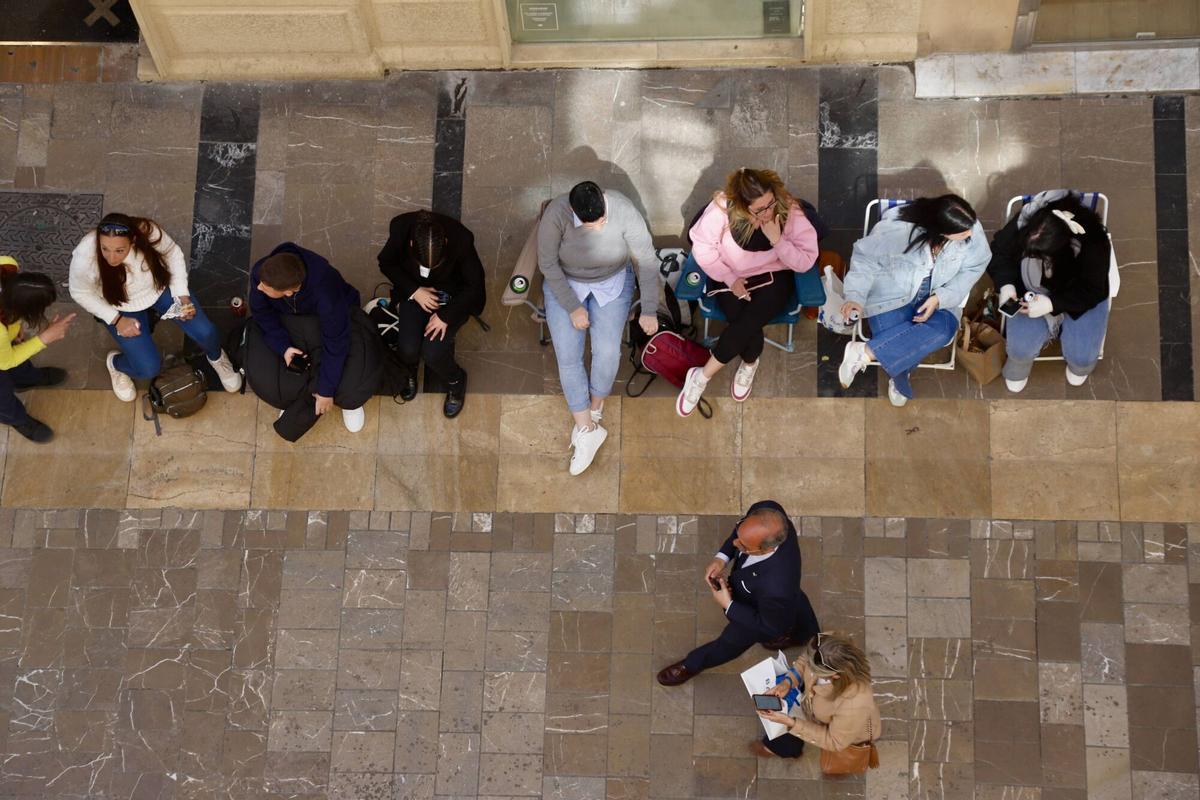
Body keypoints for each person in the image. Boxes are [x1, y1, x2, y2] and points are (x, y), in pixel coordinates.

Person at [538, 181, 660, 475]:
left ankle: (593, 411)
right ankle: (587, 429)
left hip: (613, 280)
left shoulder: (623, 209)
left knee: (606, 352)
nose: (598, 227)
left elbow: (646, 259)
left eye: (602, 220)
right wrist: (572, 306)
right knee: (568, 356)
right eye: (590, 224)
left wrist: (649, 308)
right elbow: (548, 264)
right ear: (573, 210)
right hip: (566, 283)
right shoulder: (556, 214)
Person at [676, 168, 819, 416]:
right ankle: (750, 362)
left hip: (773, 277)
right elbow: (703, 249)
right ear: (742, 206)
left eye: (770, 203)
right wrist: (730, 279)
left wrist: (778, 241)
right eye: (759, 209)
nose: (768, 212)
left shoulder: (788, 210)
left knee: (748, 323)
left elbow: (806, 260)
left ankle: (702, 376)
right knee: (744, 327)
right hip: (730, 275)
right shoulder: (722, 209)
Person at [68, 213, 243, 400]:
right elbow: (80, 292)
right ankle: (116, 364)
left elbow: (173, 254)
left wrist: (182, 295)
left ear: (133, 241)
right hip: (120, 306)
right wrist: (116, 319)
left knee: (205, 331)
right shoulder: (85, 255)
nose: (111, 258)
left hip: (159, 290)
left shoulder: (147, 231)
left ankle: (216, 357)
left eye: (119, 250)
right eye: (105, 249)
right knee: (148, 369)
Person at [837, 194, 989, 406]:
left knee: (943, 330)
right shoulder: (896, 231)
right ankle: (900, 378)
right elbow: (865, 261)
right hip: (890, 296)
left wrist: (940, 298)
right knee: (903, 339)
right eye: (963, 233)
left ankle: (864, 352)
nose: (970, 234)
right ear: (941, 231)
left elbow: (975, 266)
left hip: (940, 296)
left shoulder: (969, 226)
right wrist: (855, 296)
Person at [656, 500, 819, 687]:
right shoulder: (768, 509)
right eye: (739, 535)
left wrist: (729, 605)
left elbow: (767, 625)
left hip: (755, 611)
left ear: (765, 549)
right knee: (794, 605)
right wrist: (722, 558)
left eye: (743, 545)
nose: (735, 543)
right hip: (778, 598)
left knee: (730, 643)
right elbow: (738, 533)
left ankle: (692, 664)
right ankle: (803, 633)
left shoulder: (778, 586)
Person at [987, 190, 1111, 392]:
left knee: (1082, 357)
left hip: (1080, 294)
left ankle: (1079, 367)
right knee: (1020, 350)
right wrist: (1006, 283)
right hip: (1030, 289)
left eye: (1040, 255)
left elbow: (1092, 289)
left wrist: (1052, 304)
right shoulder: (1028, 221)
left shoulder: (1094, 243)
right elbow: (1000, 253)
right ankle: (1019, 364)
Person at [249, 243, 375, 434]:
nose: (259, 287)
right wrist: (284, 347)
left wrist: (326, 390)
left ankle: (349, 403)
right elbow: (261, 313)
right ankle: (297, 399)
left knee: (351, 367)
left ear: (289, 292)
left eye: (266, 288)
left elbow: (336, 343)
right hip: (292, 319)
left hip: (333, 318)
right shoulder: (263, 273)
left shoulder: (326, 296)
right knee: (278, 373)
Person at [377, 209, 486, 418]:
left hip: (452, 298)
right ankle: (409, 371)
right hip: (415, 292)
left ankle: (456, 380)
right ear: (411, 244)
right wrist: (415, 291)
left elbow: (474, 285)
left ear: (445, 242)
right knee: (407, 348)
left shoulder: (462, 239)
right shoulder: (400, 228)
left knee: (432, 352)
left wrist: (446, 316)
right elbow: (386, 262)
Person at [753, 632, 882, 761]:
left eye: (815, 670)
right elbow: (805, 660)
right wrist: (788, 682)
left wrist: (790, 723)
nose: (809, 669)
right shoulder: (825, 643)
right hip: (811, 708)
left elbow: (834, 741)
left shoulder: (854, 703)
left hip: (844, 730)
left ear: (836, 675)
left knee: (789, 733)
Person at [0, 258, 75, 442]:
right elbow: (6, 362)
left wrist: (15, 328)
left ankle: (25, 379)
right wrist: (45, 338)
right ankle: (15, 418)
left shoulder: (7, 266)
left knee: (18, 354)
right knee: (2, 394)